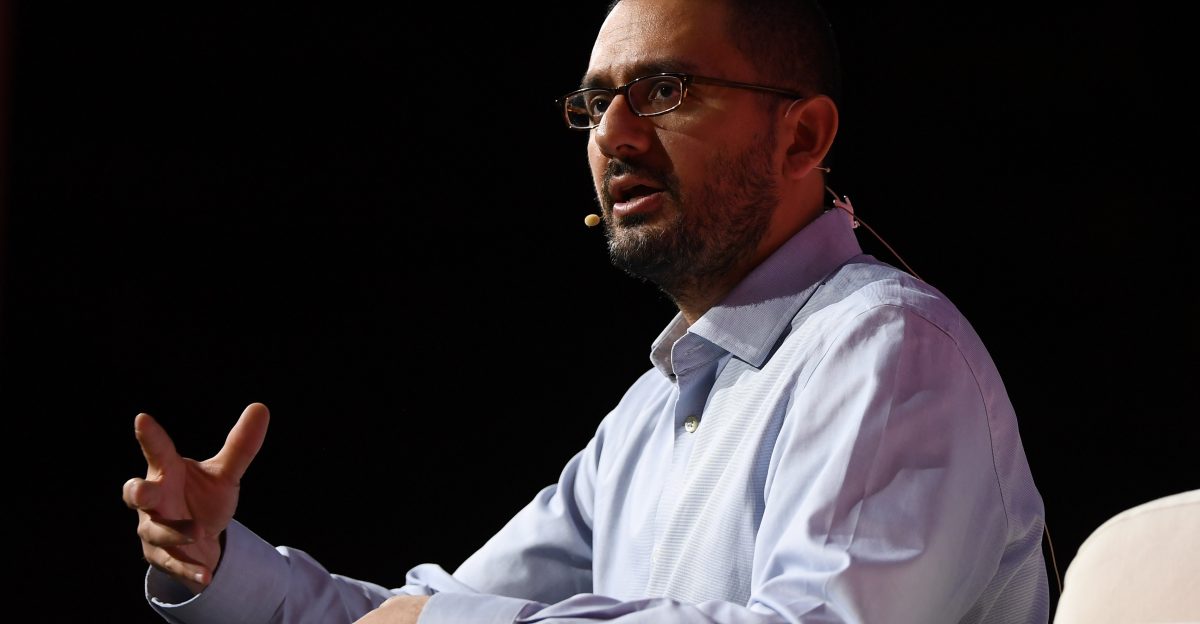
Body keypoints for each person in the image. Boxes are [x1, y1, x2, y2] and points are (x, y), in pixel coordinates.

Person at [123, 0, 1050, 622]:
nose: (611, 134)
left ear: (800, 134)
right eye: (596, 102)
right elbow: (421, 611)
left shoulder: (884, 349)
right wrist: (212, 563)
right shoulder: (648, 417)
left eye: (664, 90)